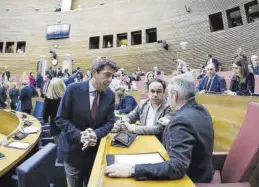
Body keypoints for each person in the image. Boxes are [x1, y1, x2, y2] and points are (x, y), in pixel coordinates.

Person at [105, 74, 214, 183]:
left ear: (175, 95)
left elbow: (177, 167)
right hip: (203, 171)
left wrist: (132, 169)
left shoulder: (180, 120)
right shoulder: (202, 110)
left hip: (191, 179)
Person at [56, 57, 119, 187]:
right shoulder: (72, 89)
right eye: (107, 75)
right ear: (95, 72)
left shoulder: (110, 95)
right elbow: (61, 119)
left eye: (112, 76)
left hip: (94, 153)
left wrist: (95, 134)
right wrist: (80, 135)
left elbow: (110, 122)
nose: (110, 80)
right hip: (73, 151)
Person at [43, 78, 66, 143]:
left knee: (59, 147)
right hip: (67, 128)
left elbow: (45, 116)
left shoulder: (48, 99)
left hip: (55, 128)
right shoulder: (67, 97)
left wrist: (46, 120)